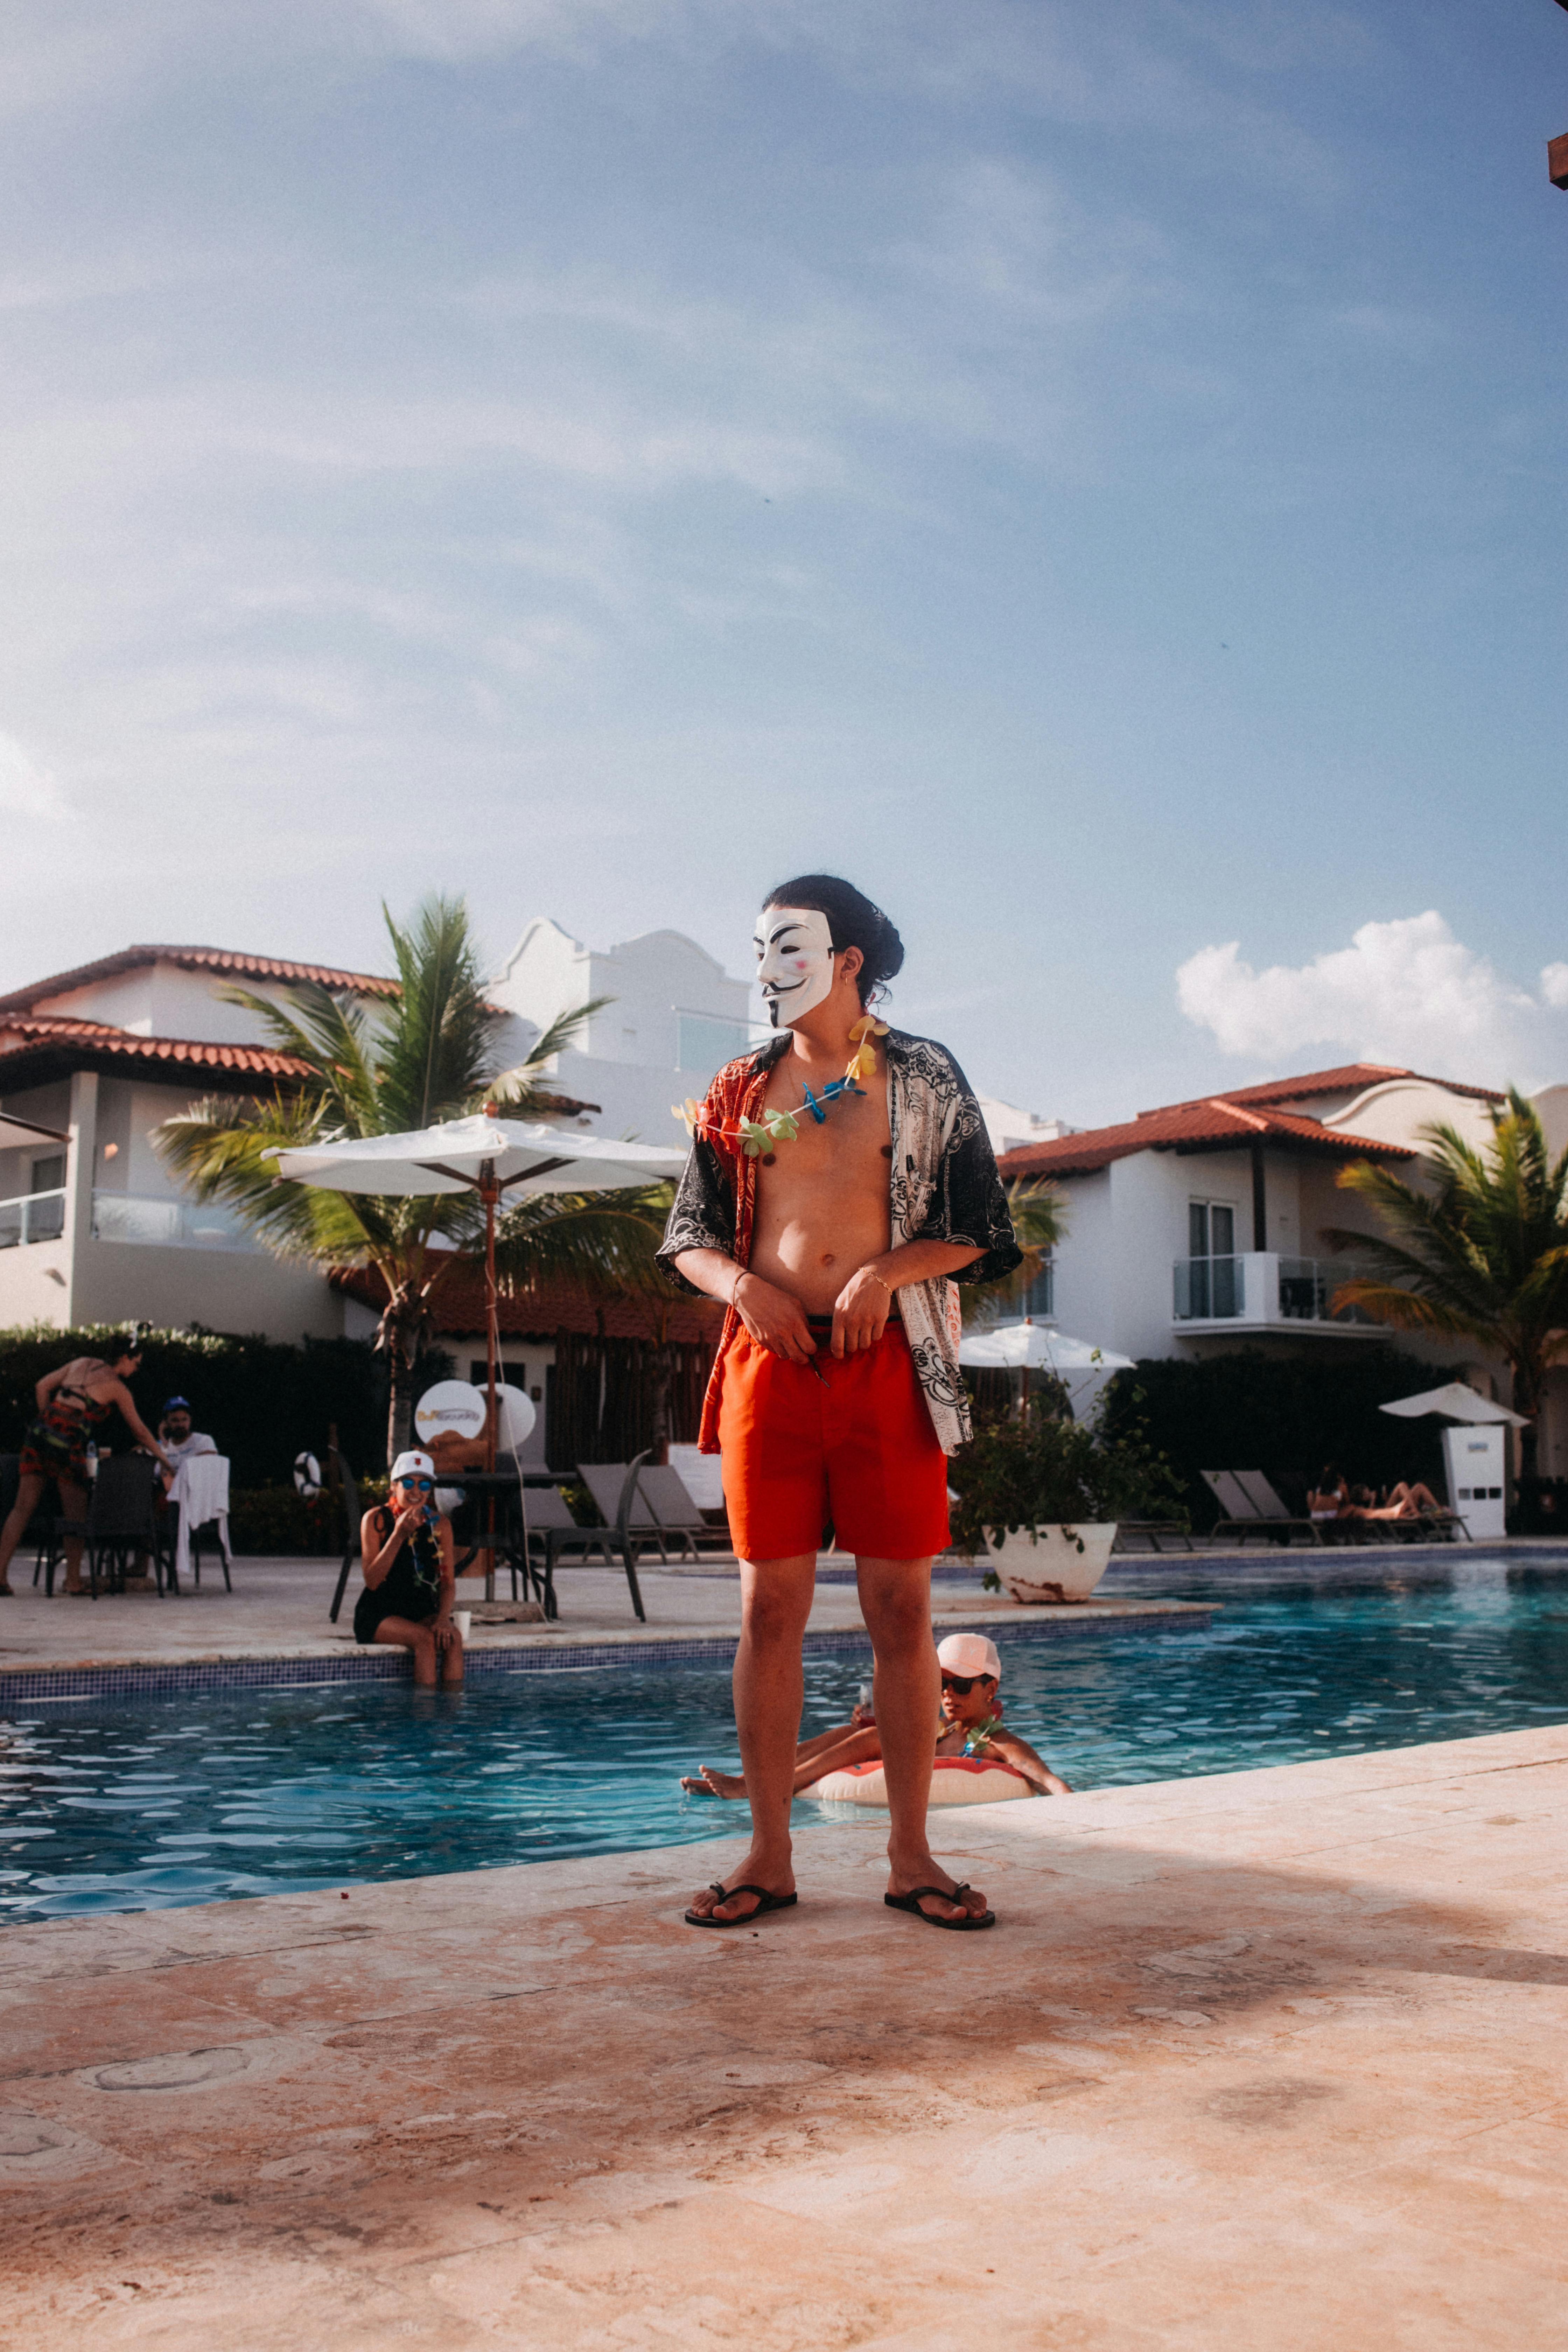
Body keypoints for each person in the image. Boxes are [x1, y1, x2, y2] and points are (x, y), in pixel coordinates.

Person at [660, 874, 1021, 1930]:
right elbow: (689, 1235)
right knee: (765, 1608)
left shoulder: (920, 1073)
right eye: (759, 946)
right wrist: (746, 1286)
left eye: (785, 945)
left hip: (889, 1365)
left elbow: (979, 1225)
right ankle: (768, 1854)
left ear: (847, 959)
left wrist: (888, 1272)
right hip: (769, 1364)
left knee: (899, 1610)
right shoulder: (737, 1084)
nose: (765, 967)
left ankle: (911, 1855)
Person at [682, 1632, 1071, 1801]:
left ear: (991, 1689)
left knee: (876, 1739)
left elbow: (1045, 1778)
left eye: (962, 1686)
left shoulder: (999, 1743)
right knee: (851, 1731)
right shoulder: (941, 1728)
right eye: (941, 1683)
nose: (948, 1695)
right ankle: (749, 1779)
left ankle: (756, 1791)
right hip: (905, 1760)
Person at [0, 1336, 173, 1597]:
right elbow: (139, 1431)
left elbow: (42, 1387)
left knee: (22, 1508)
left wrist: (50, 1423)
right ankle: (73, 1581)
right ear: (125, 1358)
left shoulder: (81, 1362)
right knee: (77, 1514)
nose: (136, 1370)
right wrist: (164, 1458)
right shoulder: (117, 1388)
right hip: (69, 1442)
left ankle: (0, 1576)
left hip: (40, 1433)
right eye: (136, 1364)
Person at [355, 1450, 464, 1686]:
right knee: (425, 1640)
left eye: (424, 1484)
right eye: (408, 1483)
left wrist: (444, 1618)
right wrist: (399, 1535)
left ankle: (453, 1716)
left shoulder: (440, 1525)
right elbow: (372, 1581)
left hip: (420, 1609)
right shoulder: (376, 1520)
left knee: (453, 1638)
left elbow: (448, 1583)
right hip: (379, 1611)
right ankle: (424, 1716)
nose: (416, 1492)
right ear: (394, 1487)